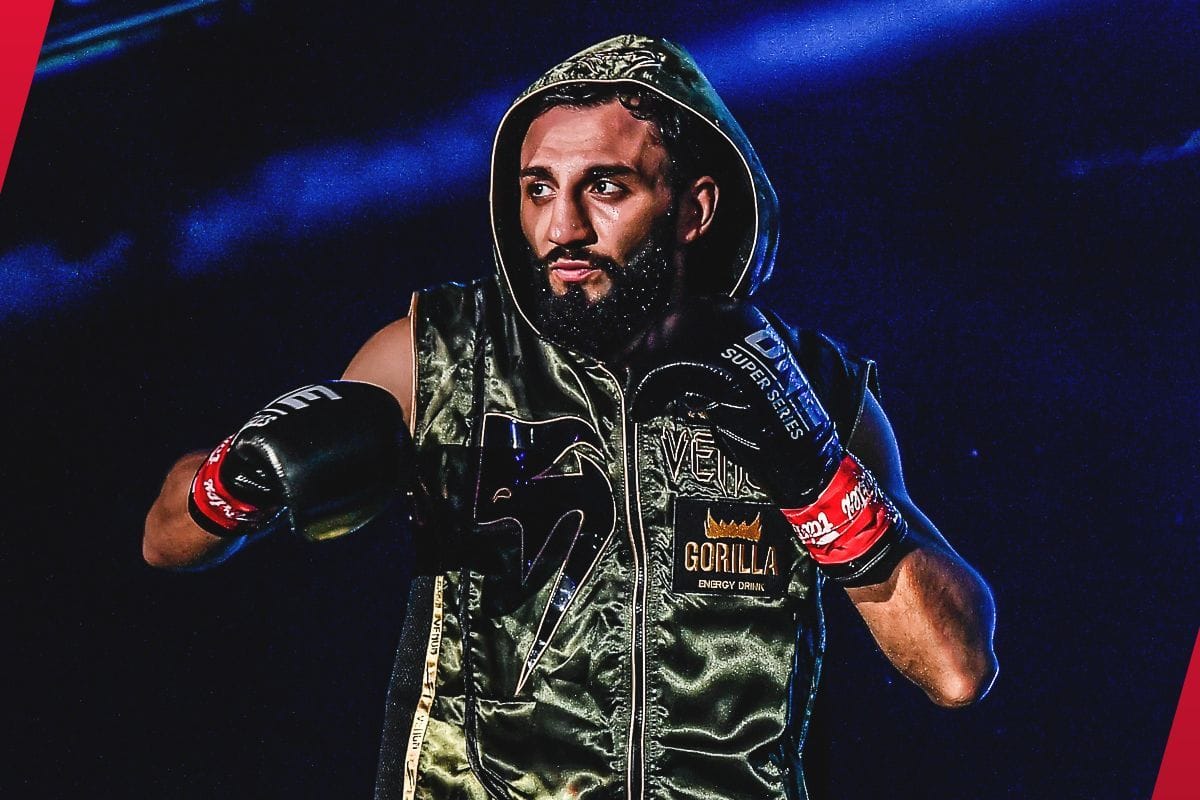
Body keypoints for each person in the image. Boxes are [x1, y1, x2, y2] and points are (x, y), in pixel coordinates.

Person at [144, 34, 997, 800]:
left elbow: (956, 670)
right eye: (538, 189)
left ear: (694, 209)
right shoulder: (443, 353)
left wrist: (817, 479)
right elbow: (165, 539)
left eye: (606, 187)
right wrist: (234, 480)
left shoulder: (809, 387)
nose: (562, 226)